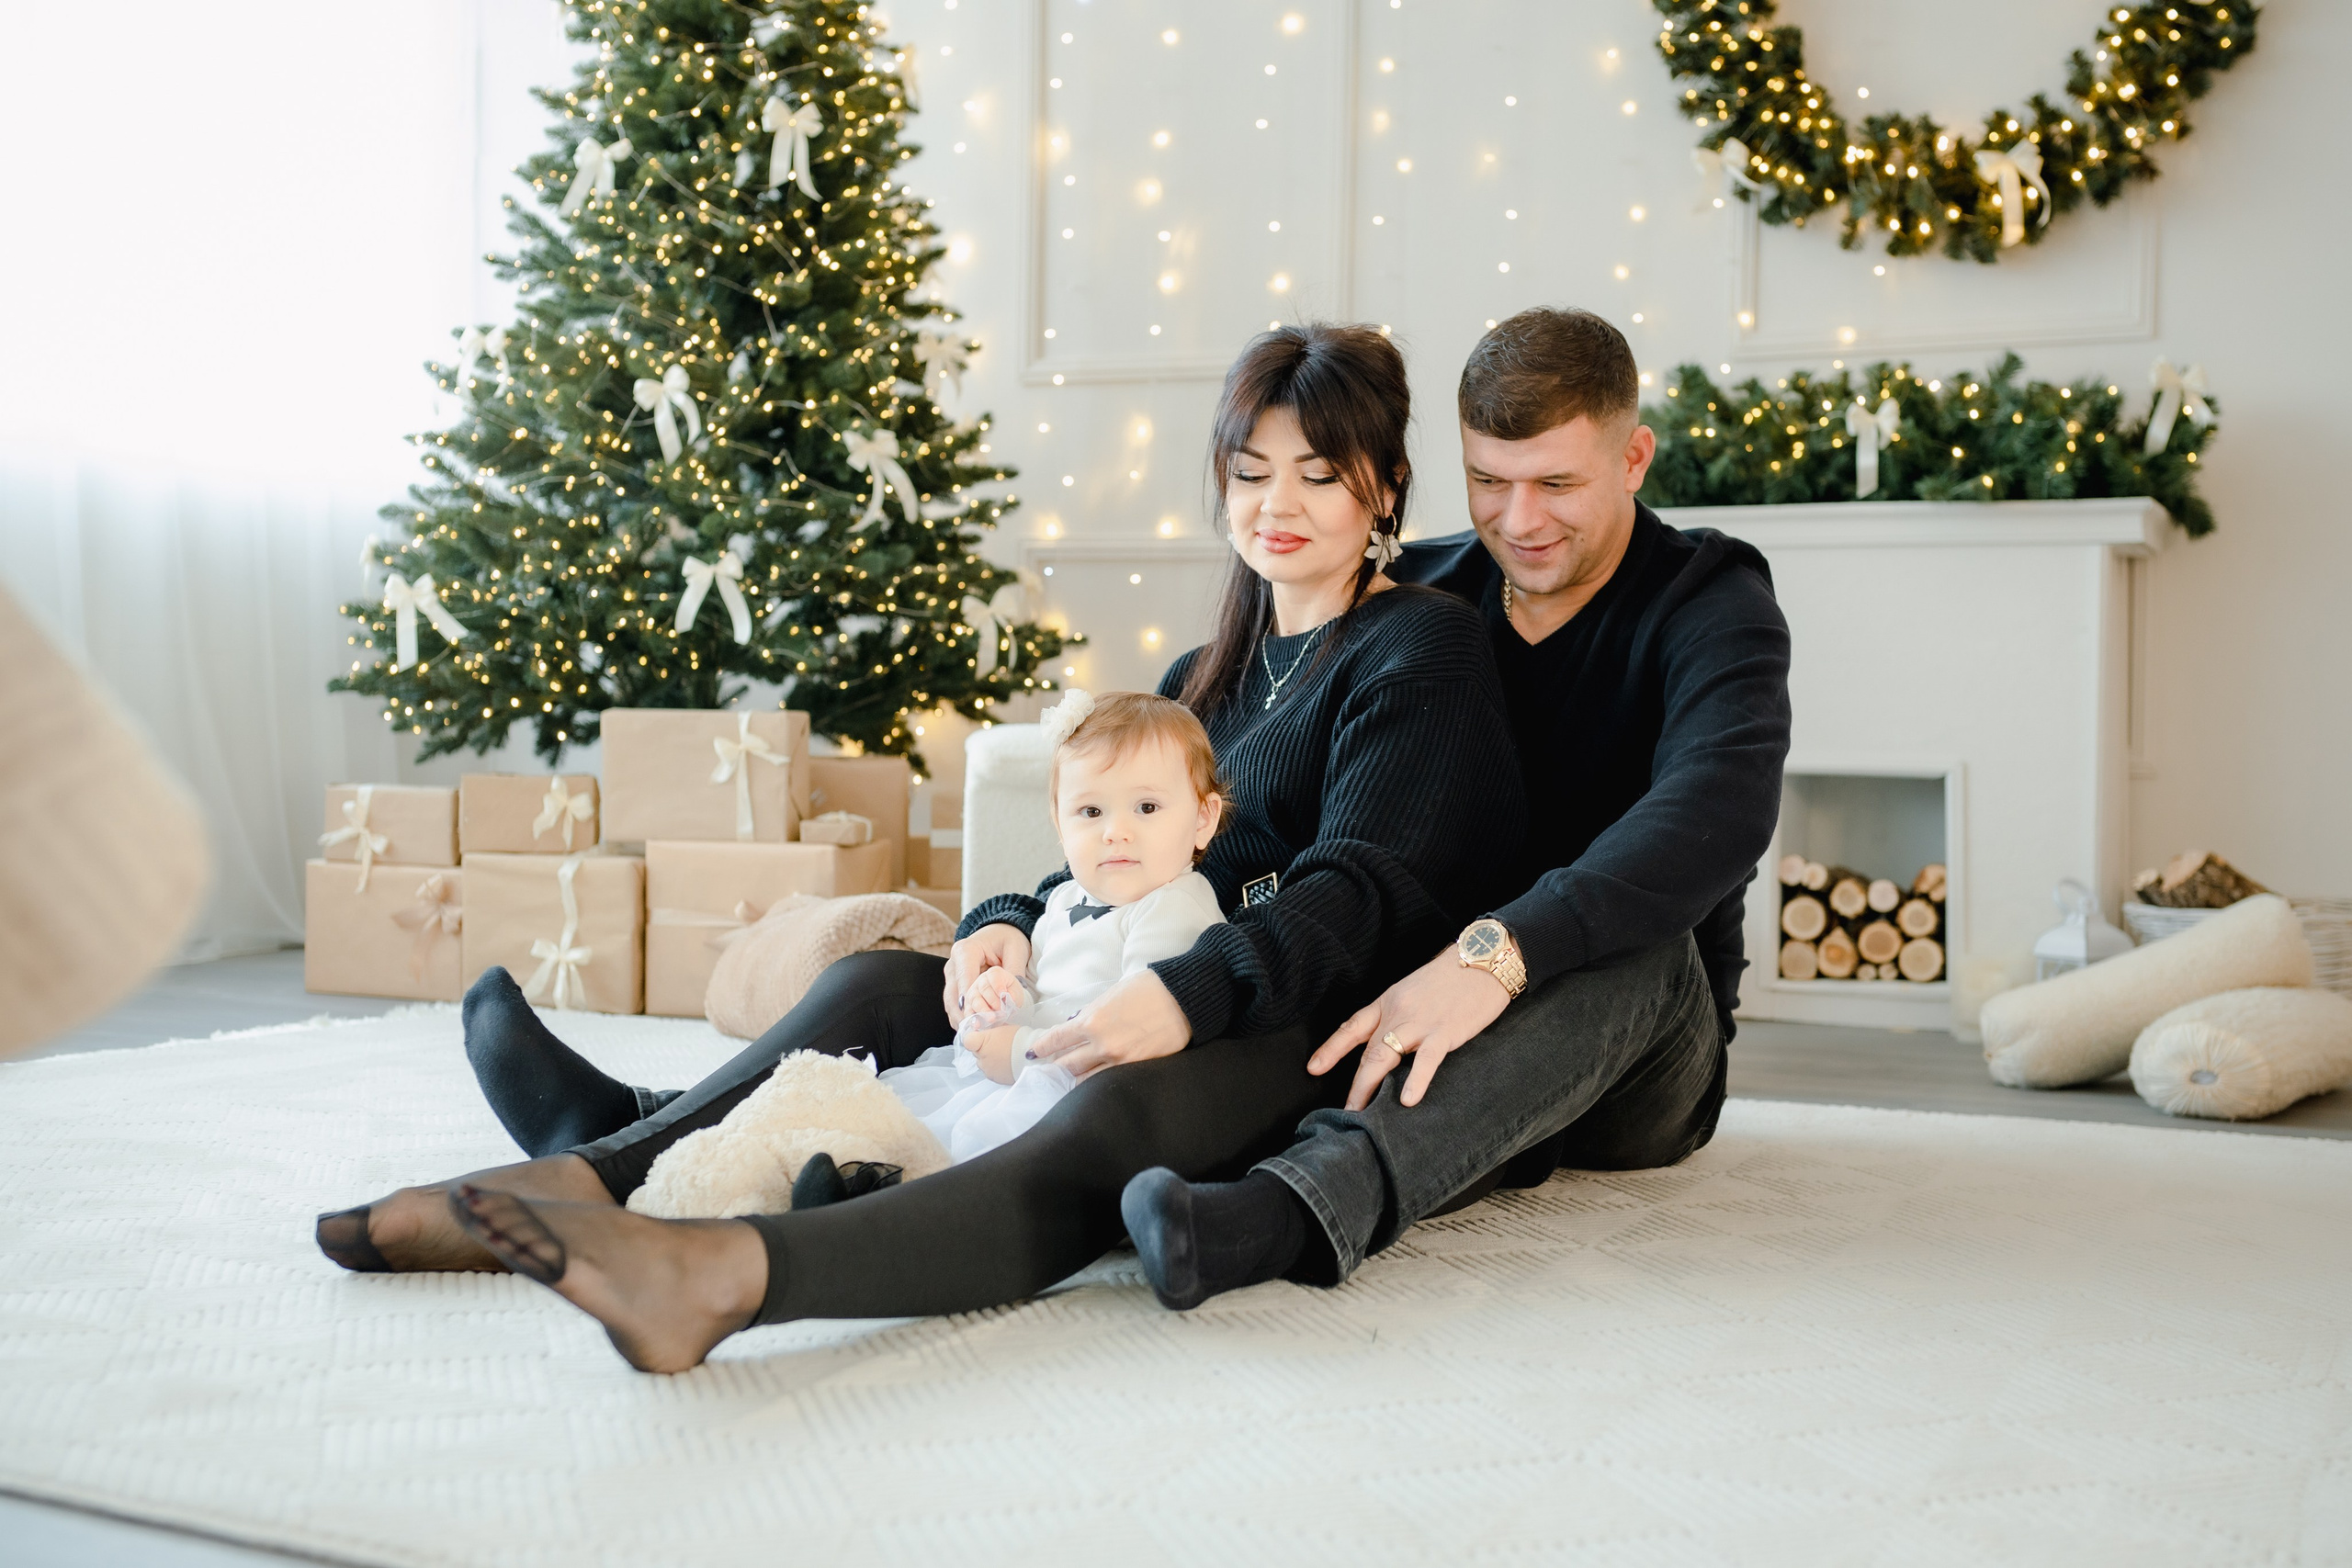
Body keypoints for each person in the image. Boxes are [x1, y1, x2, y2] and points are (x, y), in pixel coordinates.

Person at [315, 321, 1527, 1373]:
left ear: (1382, 490)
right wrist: (1002, 914)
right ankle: (604, 1163)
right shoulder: (1197, 680)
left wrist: (1184, 994)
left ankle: (725, 1273)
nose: (1278, 503)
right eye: (1250, 470)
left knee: (1097, 1122)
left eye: (1318, 474)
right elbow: (1107, 858)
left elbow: (1361, 891)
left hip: (1316, 1025)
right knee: (881, 982)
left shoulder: (1421, 644)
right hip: (1152, 972)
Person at [1119, 306, 1793, 1310]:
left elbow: (1719, 809)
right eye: (1489, 482)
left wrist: (1497, 955)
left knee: (1644, 946)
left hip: (1637, 1057)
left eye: (1557, 483)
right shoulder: (1416, 599)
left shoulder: (1708, 598)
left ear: (1634, 457)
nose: (1520, 520)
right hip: (1415, 1020)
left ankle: (1288, 1213)